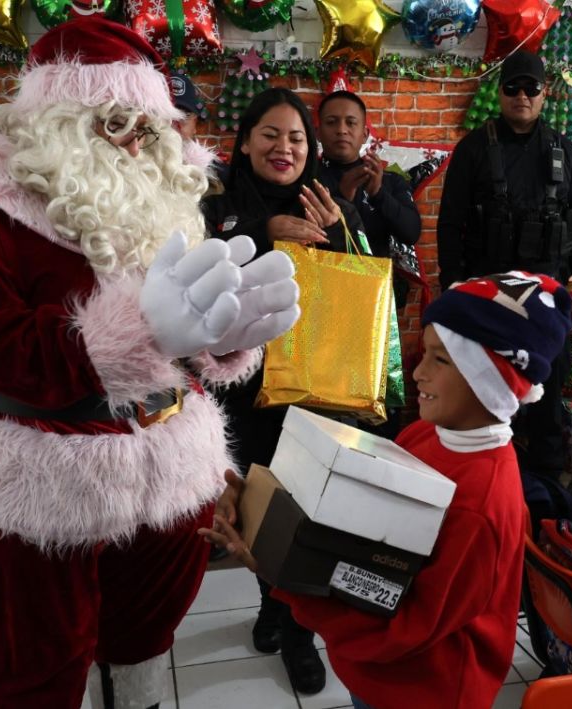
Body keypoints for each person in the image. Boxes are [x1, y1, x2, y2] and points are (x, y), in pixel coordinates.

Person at [0, 17, 299, 709]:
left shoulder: (164, 186)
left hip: (168, 466)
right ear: (57, 113)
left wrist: (221, 337)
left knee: (144, 638)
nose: (133, 139)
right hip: (37, 473)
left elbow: (186, 338)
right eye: (114, 119)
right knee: (37, 661)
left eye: (146, 124)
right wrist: (136, 331)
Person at [202, 270, 572, 709]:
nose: (417, 372)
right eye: (423, 354)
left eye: (441, 359)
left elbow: (407, 629)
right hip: (375, 672)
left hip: (423, 689)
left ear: (489, 380)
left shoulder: (481, 506)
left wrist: (281, 576)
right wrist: (260, 505)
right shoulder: (425, 435)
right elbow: (363, 523)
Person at [202, 87, 368, 697]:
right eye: (270, 134)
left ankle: (298, 629)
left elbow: (366, 290)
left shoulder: (324, 201)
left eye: (297, 137)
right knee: (256, 503)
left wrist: (342, 230)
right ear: (245, 142)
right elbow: (202, 274)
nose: (285, 147)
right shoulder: (215, 201)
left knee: (304, 511)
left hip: (314, 388)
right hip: (242, 386)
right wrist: (264, 231)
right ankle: (269, 603)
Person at [437, 49, 572, 483]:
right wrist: (453, 292)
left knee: (548, 387)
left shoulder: (565, 151)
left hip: (546, 295)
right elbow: (450, 224)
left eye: (531, 88)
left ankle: (548, 484)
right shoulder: (474, 149)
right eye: (512, 87)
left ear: (544, 95)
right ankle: (484, 476)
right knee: (485, 387)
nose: (522, 95)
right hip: (488, 292)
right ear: (500, 94)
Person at [316, 89, 421, 307]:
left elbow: (411, 233)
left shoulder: (390, 181)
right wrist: (341, 198)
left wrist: (379, 194)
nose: (341, 130)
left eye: (351, 123)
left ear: (364, 134)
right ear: (318, 132)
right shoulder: (307, 180)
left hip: (374, 297)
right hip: (320, 293)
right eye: (332, 122)